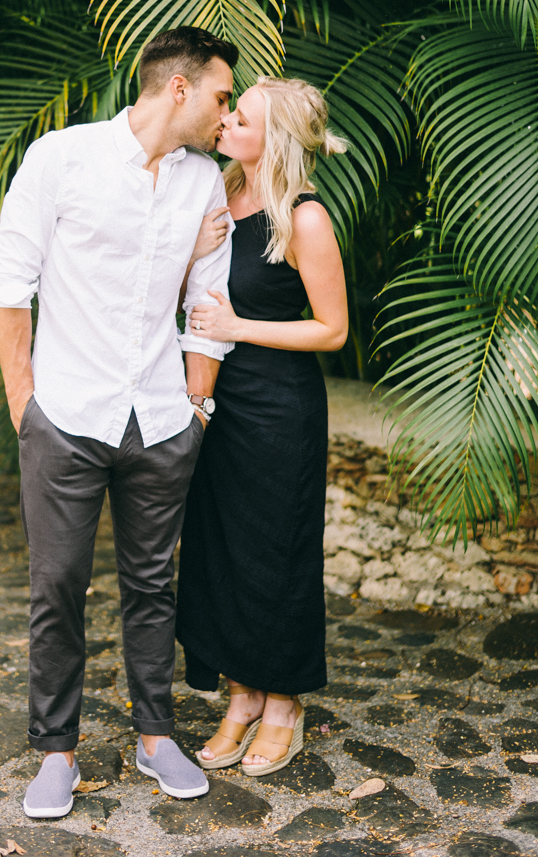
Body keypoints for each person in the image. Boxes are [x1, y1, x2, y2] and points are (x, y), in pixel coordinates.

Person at [0, 26, 239, 818]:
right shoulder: (62, 158)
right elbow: (9, 279)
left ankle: (156, 736)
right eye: (221, 97)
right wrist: (25, 404)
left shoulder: (204, 182)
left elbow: (208, 299)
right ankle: (56, 751)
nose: (226, 115)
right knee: (57, 584)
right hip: (65, 414)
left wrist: (196, 406)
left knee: (151, 585)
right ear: (178, 88)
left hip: (161, 417)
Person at [175, 75, 349, 776]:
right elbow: (192, 288)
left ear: (270, 137)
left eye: (238, 117)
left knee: (276, 553)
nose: (223, 122)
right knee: (221, 550)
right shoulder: (220, 193)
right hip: (220, 404)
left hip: (281, 410)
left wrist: (241, 326)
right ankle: (242, 696)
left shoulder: (302, 218)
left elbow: (333, 329)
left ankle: (284, 706)